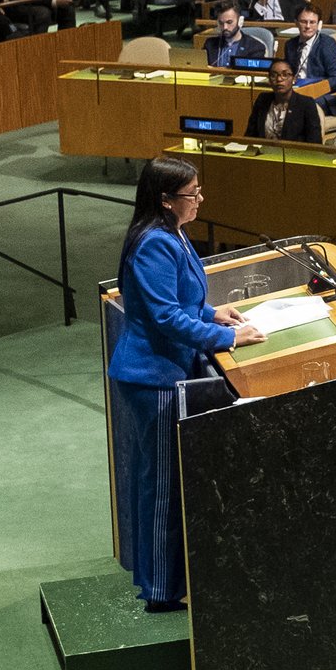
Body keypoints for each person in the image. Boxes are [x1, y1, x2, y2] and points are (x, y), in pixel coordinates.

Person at [107, 156, 264, 610]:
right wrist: (227, 336)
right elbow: (163, 316)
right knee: (161, 487)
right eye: (191, 194)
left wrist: (212, 312)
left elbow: (181, 300)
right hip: (152, 379)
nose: (199, 200)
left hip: (166, 372)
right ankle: (159, 592)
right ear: (165, 200)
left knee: (162, 480)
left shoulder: (172, 232)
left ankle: (163, 580)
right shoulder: (155, 242)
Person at [282, 5, 336, 112]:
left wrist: (311, 90)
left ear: (319, 24)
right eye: (303, 22)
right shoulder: (290, 45)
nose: (308, 26)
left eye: (312, 22)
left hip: (322, 95)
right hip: (296, 91)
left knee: (301, 104)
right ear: (296, 23)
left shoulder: (327, 44)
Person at [246, 60, 324, 142]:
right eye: (274, 75)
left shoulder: (306, 104)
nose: (279, 79)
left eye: (285, 75)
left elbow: (315, 142)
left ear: (293, 79)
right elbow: (250, 135)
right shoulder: (263, 99)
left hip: (295, 153)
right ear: (269, 80)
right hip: (263, 152)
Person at [201, 3, 262, 69]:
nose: (225, 27)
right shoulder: (210, 44)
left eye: (229, 22)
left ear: (240, 21)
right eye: (221, 23)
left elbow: (255, 74)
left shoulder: (255, 47)